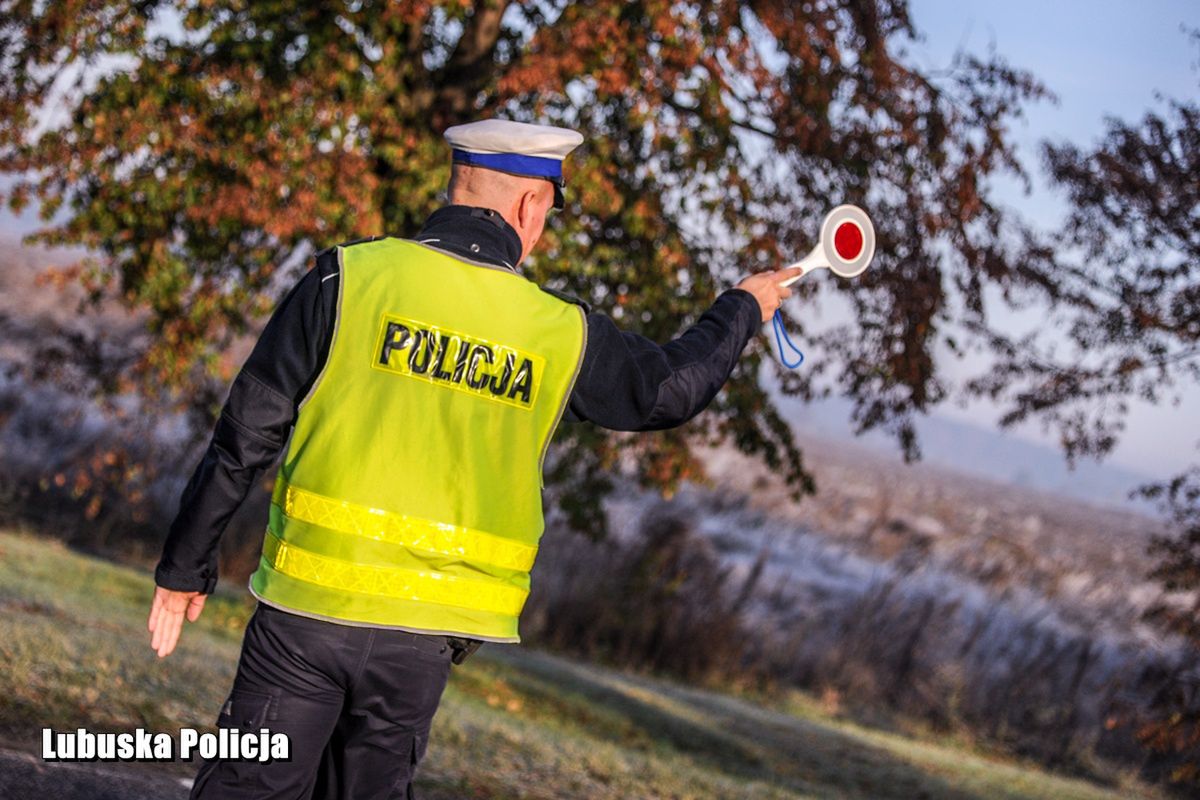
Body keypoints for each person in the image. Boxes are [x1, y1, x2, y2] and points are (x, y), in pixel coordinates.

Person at [147, 118, 800, 799]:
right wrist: (742, 309)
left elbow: (244, 435)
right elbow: (670, 389)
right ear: (530, 206)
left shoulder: (347, 277)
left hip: (303, 618)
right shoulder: (558, 332)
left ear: (456, 187)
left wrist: (185, 566)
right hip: (422, 642)